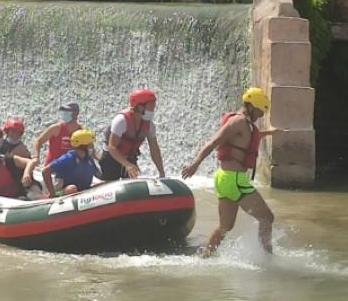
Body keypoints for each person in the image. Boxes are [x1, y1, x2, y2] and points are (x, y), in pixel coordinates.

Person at [181, 87, 276, 257]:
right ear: (252, 106)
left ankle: (204, 258)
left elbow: (249, 138)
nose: (261, 116)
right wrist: (195, 164)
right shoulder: (238, 121)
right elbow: (213, 141)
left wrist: (269, 133)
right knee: (267, 218)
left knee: (225, 227)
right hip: (234, 179)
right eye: (260, 112)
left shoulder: (244, 124)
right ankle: (267, 259)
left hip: (224, 178)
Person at [99, 88, 165, 181]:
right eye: (151, 108)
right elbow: (112, 147)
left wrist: (161, 172)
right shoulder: (121, 120)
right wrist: (127, 165)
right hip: (112, 158)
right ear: (140, 107)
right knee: (110, 182)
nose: (153, 111)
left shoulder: (150, 125)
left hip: (130, 157)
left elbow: (154, 149)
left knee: (132, 180)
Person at [41, 130, 102, 196]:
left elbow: (99, 175)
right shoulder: (68, 158)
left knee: (105, 184)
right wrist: (52, 193)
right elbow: (45, 171)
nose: (93, 147)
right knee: (72, 188)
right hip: (65, 192)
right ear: (83, 146)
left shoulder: (88, 158)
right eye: (90, 144)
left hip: (84, 190)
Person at [32, 102, 83, 166]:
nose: (65, 114)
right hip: (51, 169)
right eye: (64, 111)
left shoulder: (81, 131)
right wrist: (36, 157)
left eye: (67, 111)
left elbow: (90, 149)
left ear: (76, 113)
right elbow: (38, 141)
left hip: (69, 171)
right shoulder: (56, 128)